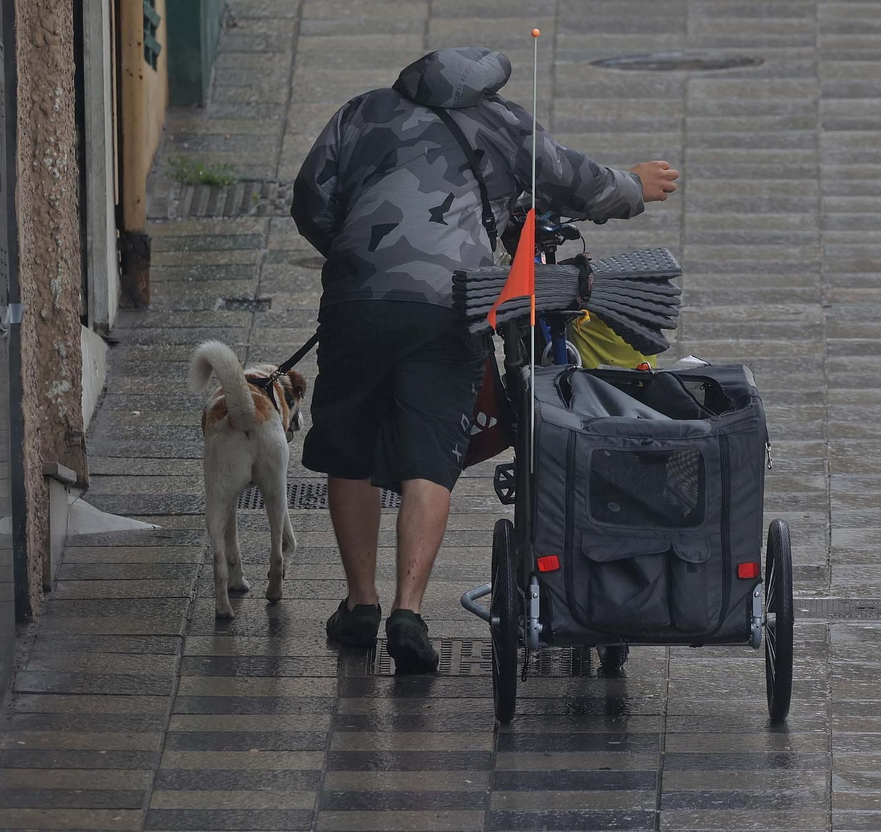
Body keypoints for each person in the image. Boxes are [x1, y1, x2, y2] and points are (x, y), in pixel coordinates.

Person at [290, 46, 680, 673]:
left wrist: (357, 257)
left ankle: (359, 605)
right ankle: (407, 611)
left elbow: (312, 199)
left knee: (350, 445)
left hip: (357, 296)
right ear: (487, 81)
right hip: (451, 303)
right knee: (430, 452)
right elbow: (575, 181)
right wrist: (636, 185)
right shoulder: (501, 122)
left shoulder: (361, 113)